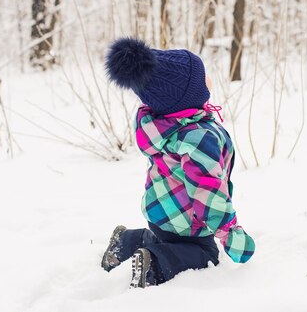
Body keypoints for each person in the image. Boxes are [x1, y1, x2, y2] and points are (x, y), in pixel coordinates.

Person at [101, 37, 255, 288]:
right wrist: (231, 236)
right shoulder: (199, 138)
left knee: (168, 238)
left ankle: (127, 242)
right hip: (188, 222)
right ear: (186, 94)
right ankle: (155, 264)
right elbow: (208, 193)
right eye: (202, 76)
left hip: (159, 212)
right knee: (205, 254)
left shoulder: (158, 124)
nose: (208, 79)